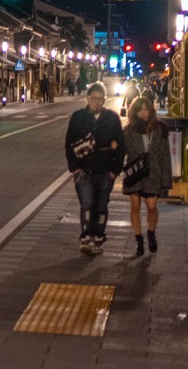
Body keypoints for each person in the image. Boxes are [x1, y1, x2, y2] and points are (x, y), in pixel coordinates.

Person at [65, 83, 125, 254]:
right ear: (87, 99)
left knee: (101, 205)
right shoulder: (78, 117)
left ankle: (98, 238)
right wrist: (74, 168)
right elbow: (69, 144)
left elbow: (120, 145)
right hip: (83, 170)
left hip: (105, 170)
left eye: (100, 99)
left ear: (104, 100)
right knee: (87, 203)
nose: (96, 102)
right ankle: (86, 237)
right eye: (93, 98)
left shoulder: (112, 118)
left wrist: (115, 171)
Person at [122, 96, 172, 255]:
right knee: (135, 205)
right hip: (135, 173)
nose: (143, 113)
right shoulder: (128, 131)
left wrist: (166, 182)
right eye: (139, 110)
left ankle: (151, 233)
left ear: (150, 110)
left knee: (152, 206)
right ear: (134, 113)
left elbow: (165, 156)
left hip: (153, 173)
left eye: (146, 109)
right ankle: (138, 240)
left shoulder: (159, 129)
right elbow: (120, 153)